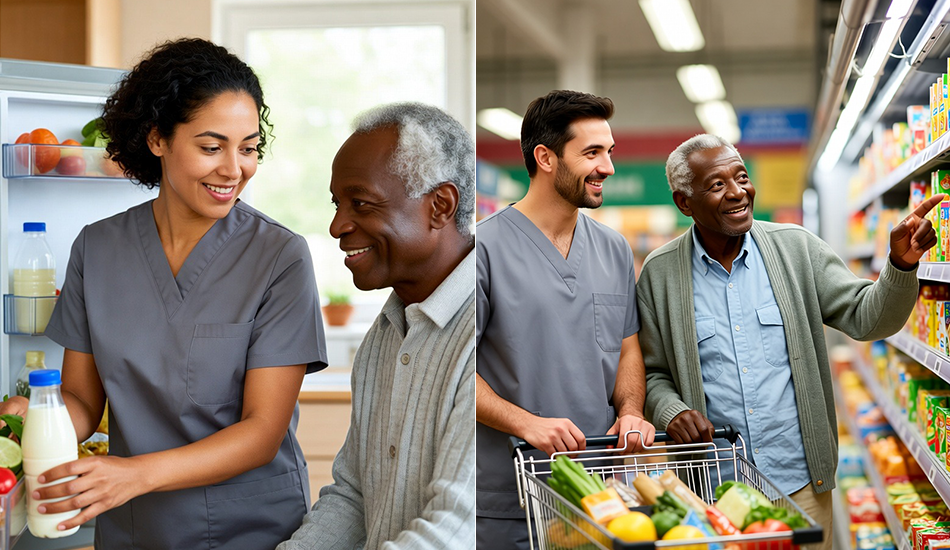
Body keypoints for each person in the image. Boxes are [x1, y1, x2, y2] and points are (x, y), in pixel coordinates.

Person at [0, 38, 328, 549]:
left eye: (248, 148)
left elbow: (263, 432)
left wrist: (134, 475)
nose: (233, 169)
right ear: (157, 139)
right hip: (135, 526)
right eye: (211, 146)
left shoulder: (279, 257)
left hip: (249, 530)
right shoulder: (98, 247)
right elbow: (83, 401)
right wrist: (36, 415)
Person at [638, 134, 943, 546]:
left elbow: (867, 319)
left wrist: (900, 264)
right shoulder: (659, 274)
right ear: (684, 202)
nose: (737, 192)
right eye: (716, 184)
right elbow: (652, 373)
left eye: (741, 177)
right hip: (713, 494)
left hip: (800, 484)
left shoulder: (795, 248)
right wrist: (670, 410)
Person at [278, 102, 475, 549]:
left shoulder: (486, 329)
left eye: (360, 203)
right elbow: (354, 497)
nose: (336, 225)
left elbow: (456, 528)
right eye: (337, 203)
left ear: (440, 205)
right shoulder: (384, 335)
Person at [476, 90, 656, 549]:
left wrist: (632, 411)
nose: (608, 167)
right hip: (511, 500)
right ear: (546, 158)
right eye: (592, 153)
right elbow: (452, 370)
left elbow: (627, 345)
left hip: (604, 497)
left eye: (609, 152)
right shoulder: (482, 250)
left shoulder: (614, 249)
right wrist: (525, 423)